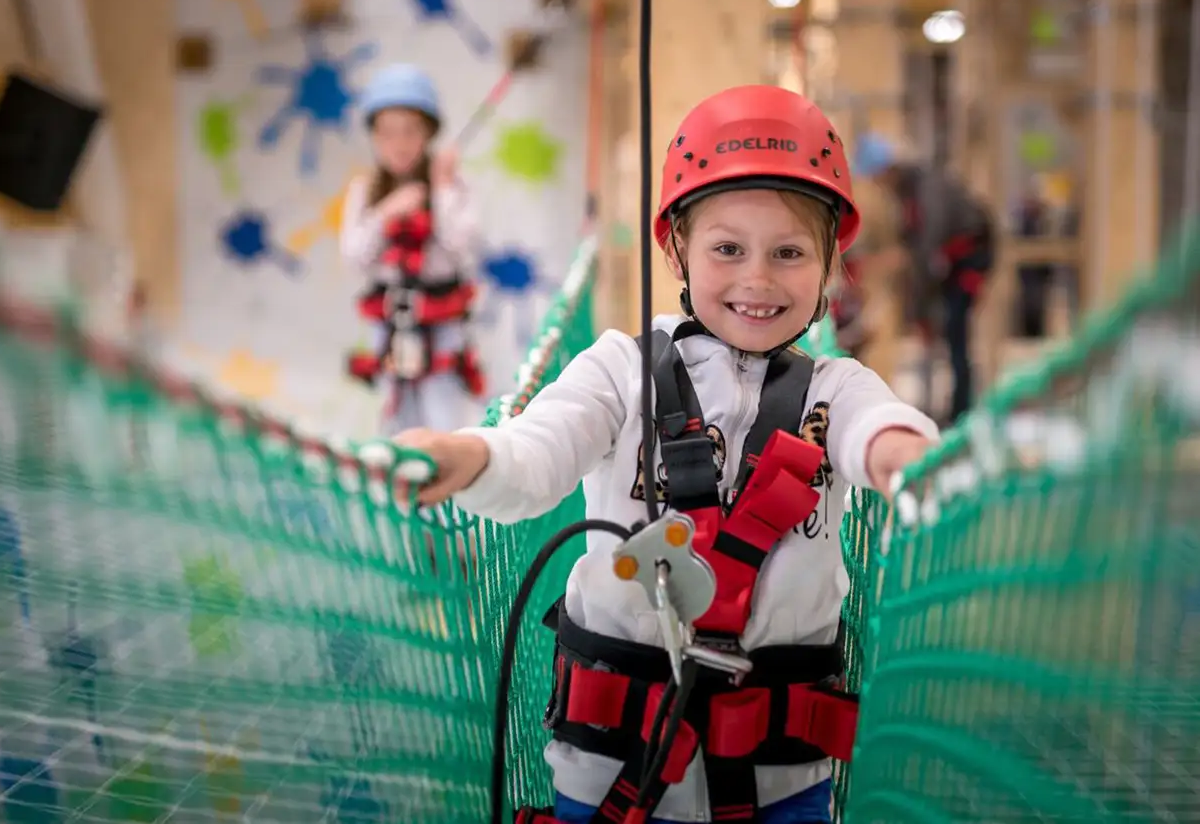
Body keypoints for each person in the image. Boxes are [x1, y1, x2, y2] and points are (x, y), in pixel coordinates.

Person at [396, 86, 939, 824]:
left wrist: (909, 462)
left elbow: (877, 429)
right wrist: (468, 456)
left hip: (782, 779)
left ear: (829, 262)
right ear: (676, 247)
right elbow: (537, 453)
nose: (757, 279)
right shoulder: (621, 373)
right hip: (614, 770)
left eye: (789, 253)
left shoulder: (834, 389)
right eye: (727, 249)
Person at [340, 63, 486, 435]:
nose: (399, 143)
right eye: (387, 133)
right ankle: (401, 490)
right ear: (373, 137)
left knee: (445, 418)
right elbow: (354, 256)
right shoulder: (366, 190)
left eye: (410, 131)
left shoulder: (452, 186)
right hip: (390, 327)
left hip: (442, 326)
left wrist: (440, 188)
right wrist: (387, 211)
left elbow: (460, 246)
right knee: (394, 422)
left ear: (428, 134)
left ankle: (447, 491)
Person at [850, 133, 995, 425]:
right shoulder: (909, 192)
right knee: (944, 333)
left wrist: (920, 305)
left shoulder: (926, 189)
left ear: (887, 171)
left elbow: (927, 246)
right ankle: (954, 407)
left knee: (955, 333)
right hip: (950, 264)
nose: (877, 186)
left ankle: (962, 412)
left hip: (967, 263)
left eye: (877, 179)